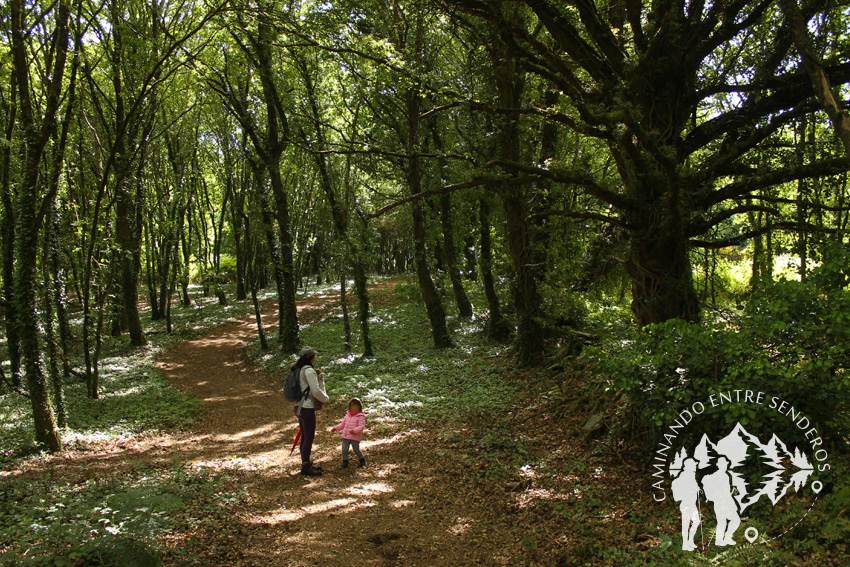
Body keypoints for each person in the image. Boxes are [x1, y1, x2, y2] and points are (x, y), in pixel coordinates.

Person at [292, 347, 329, 476]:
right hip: (306, 408)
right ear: (312, 358)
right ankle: (306, 466)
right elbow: (316, 391)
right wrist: (325, 399)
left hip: (299, 407)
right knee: (309, 437)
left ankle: (305, 463)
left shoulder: (299, 369)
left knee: (305, 436)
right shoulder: (308, 371)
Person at [702, 456, 741, 546]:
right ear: (718, 465)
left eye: (725, 464)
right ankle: (720, 540)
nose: (725, 466)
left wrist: (731, 492)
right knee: (724, 521)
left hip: (726, 501)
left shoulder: (726, 475)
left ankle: (726, 538)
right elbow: (720, 491)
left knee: (733, 520)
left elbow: (725, 491)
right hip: (721, 502)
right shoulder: (717, 476)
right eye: (723, 464)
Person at [671, 458, 701, 551]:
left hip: (691, 504)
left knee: (696, 521)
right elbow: (685, 489)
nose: (695, 467)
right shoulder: (684, 476)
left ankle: (690, 541)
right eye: (694, 465)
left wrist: (697, 489)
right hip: (686, 504)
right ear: (689, 466)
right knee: (686, 523)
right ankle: (685, 544)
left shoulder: (691, 475)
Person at [330, 398, 366, 468]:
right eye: (352, 406)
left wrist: (355, 430)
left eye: (356, 406)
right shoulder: (347, 415)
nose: (354, 408)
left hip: (354, 437)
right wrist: (336, 428)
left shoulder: (361, 416)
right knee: (344, 449)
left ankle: (362, 460)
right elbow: (343, 424)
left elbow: (361, 426)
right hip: (346, 436)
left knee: (356, 449)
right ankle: (345, 462)